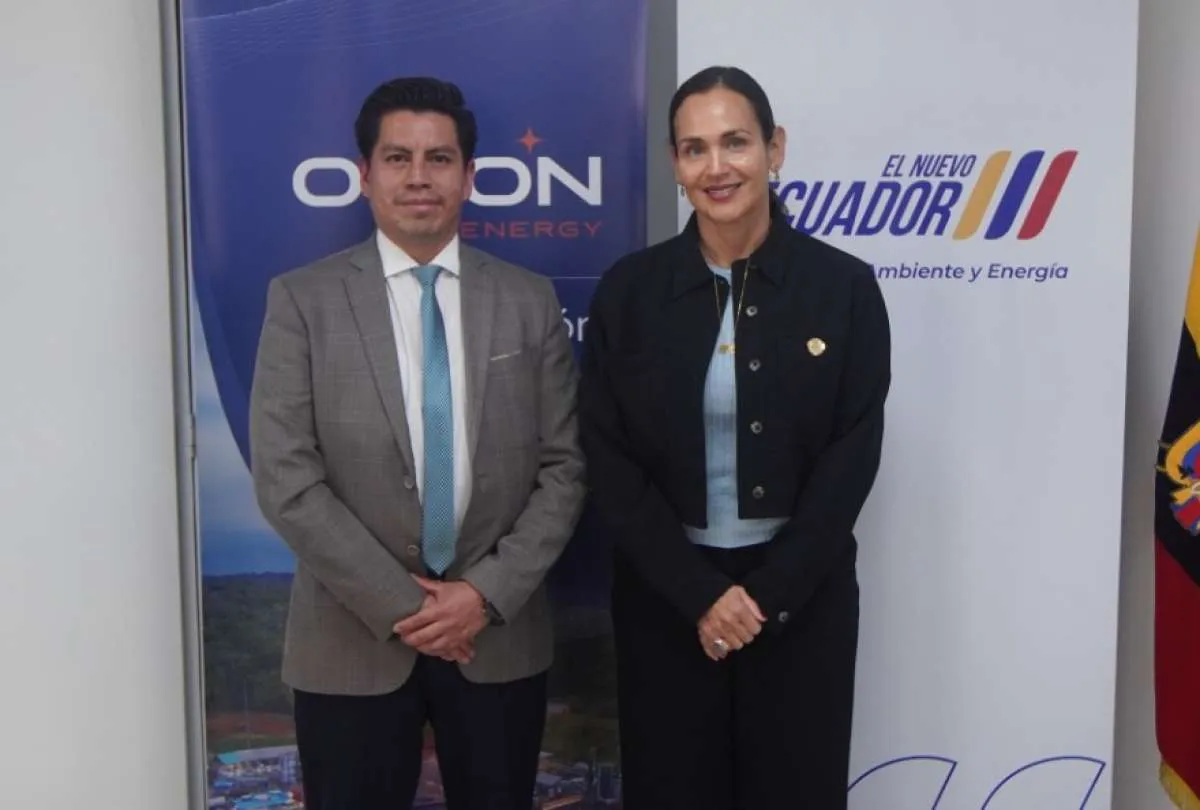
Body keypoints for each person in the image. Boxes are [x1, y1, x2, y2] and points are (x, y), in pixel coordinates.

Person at [248, 76, 586, 810]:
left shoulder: (528, 300)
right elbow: (285, 479)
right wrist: (411, 606)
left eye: (439, 158)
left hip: (496, 639)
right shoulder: (302, 300)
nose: (419, 177)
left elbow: (564, 468)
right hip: (350, 644)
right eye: (398, 158)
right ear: (364, 175)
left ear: (469, 175)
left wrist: (481, 598)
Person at [578, 66, 891, 809]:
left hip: (800, 605)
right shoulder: (629, 291)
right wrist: (700, 595)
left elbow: (852, 456)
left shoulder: (844, 288)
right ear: (675, 164)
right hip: (666, 602)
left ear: (774, 149)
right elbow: (607, 455)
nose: (716, 167)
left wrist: (764, 597)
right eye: (695, 149)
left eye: (735, 142)